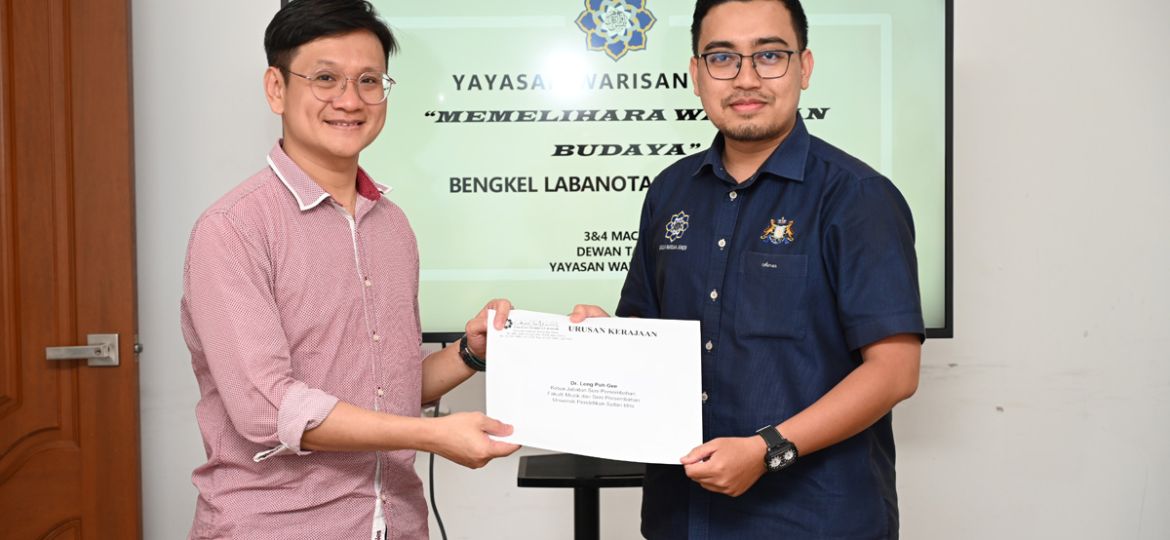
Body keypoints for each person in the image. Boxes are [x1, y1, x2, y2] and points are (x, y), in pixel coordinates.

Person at [571, 0, 925, 537]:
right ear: (695, 74)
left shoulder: (858, 198)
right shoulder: (671, 191)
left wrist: (767, 450)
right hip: (682, 515)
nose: (746, 78)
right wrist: (605, 337)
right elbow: (647, 342)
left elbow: (894, 372)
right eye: (722, 58)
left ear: (804, 67)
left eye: (769, 56)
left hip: (815, 518)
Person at [179, 1, 519, 538]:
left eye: (369, 80)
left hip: (395, 522)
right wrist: (432, 437)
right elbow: (268, 409)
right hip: (278, 526)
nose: (350, 100)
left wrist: (470, 352)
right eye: (325, 78)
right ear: (276, 88)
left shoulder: (392, 226)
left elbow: (388, 388)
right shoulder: (233, 229)